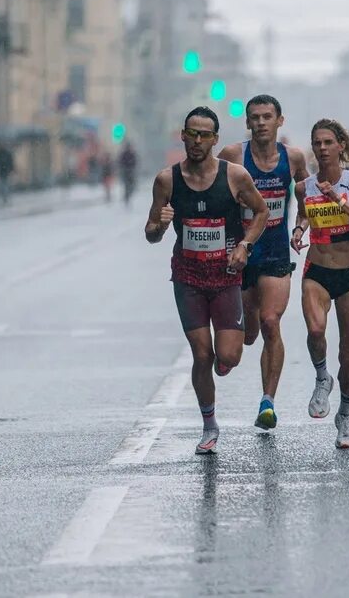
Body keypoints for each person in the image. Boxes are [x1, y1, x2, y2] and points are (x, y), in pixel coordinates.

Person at [145, 107, 269, 454]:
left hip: (227, 275)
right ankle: (209, 424)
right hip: (188, 278)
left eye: (204, 135)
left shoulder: (235, 176)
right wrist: (161, 223)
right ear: (182, 135)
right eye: (191, 134)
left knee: (226, 358)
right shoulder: (166, 181)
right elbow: (151, 234)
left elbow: (260, 212)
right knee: (202, 354)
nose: (197, 141)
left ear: (215, 139)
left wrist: (244, 244)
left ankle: (235, 342)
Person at [218, 94, 309, 431]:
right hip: (240, 254)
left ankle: (268, 402)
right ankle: (233, 346)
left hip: (275, 253)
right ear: (247, 123)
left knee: (271, 322)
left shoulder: (294, 157)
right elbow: (212, 188)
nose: (260, 123)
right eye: (254, 117)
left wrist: (299, 227)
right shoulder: (232, 155)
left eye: (267, 117)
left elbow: (307, 198)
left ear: (279, 121)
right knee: (249, 335)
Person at [292, 119, 349, 449]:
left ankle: (344, 414)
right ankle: (320, 377)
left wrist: (341, 203)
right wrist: (299, 231)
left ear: (341, 145)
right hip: (317, 268)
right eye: (317, 142)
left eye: (329, 142)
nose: (323, 148)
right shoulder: (305, 187)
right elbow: (303, 214)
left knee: (348, 354)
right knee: (315, 331)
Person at [118, 141, 139, 206]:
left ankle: (128, 195)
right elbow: (120, 162)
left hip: (130, 171)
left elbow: (135, 162)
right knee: (127, 185)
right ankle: (127, 196)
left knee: (130, 185)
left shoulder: (131, 154)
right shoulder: (125, 154)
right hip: (126, 172)